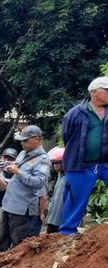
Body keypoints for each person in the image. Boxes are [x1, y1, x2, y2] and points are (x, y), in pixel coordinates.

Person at [59, 76, 108, 235]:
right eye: (106, 90)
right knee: (75, 198)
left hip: (105, 163)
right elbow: (67, 136)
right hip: (81, 164)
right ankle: (67, 232)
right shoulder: (75, 114)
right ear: (94, 91)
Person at [0, 126, 51, 251]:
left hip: (22, 210)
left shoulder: (43, 160)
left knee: (19, 247)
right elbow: (15, 166)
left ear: (36, 139)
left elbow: (39, 183)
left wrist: (19, 172)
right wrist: (6, 166)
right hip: (8, 205)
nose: (22, 143)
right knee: (1, 245)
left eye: (25, 140)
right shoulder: (23, 153)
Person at [46, 148, 67, 234]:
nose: (55, 165)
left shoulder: (69, 177)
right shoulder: (59, 175)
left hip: (61, 220)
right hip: (52, 218)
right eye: (54, 163)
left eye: (58, 162)